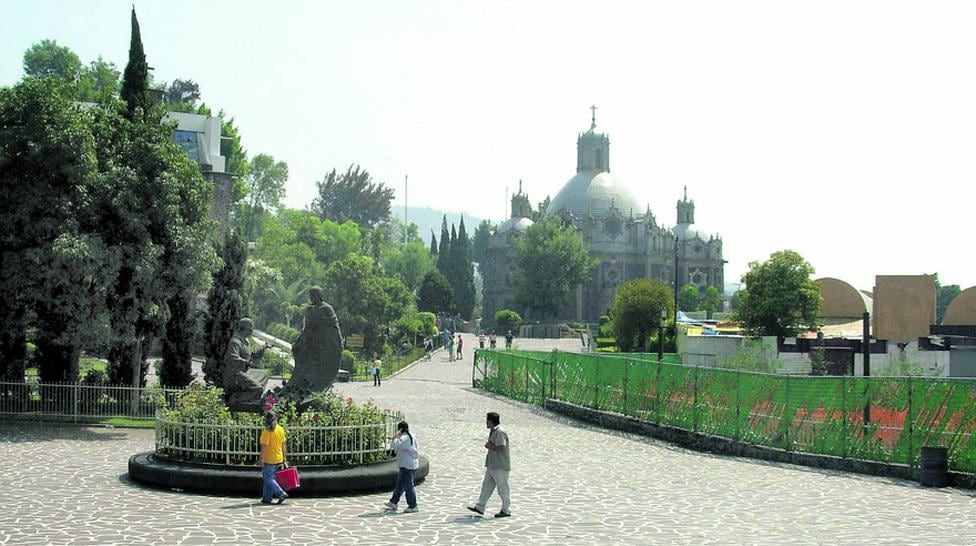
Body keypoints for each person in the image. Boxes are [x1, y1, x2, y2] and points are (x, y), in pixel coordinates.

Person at [467, 412, 511, 518]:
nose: (486, 423)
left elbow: (502, 446)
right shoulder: (493, 431)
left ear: (492, 421)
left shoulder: (500, 432)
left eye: (487, 420)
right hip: (492, 465)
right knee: (486, 487)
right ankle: (480, 506)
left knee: (502, 489)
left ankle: (506, 510)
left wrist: (491, 446)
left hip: (500, 466)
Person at [384, 421, 420, 513]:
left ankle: (413, 505)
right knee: (400, 484)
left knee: (408, 486)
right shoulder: (412, 436)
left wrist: (395, 437)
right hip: (410, 463)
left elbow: (394, 445)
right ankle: (393, 501)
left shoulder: (404, 438)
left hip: (406, 465)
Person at [259, 412, 288, 505]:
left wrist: (261, 459)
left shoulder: (266, 432)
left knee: (268, 478)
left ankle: (281, 493)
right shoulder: (280, 429)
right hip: (279, 458)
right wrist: (284, 458)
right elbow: (283, 445)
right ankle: (267, 498)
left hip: (269, 459)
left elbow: (264, 447)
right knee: (271, 478)